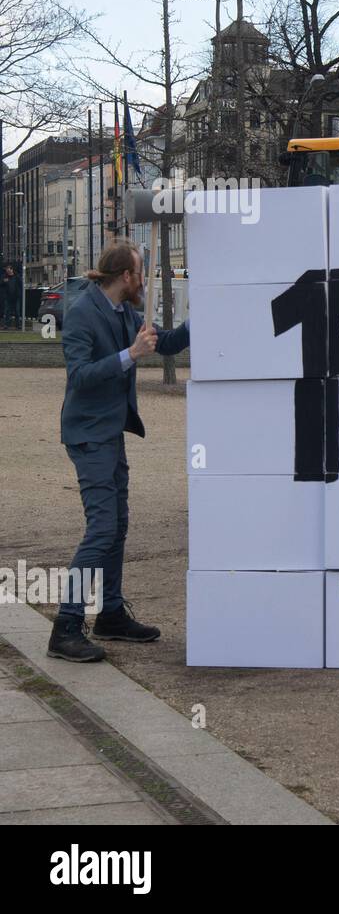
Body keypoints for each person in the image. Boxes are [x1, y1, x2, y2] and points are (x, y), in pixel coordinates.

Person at [48, 240, 191, 663]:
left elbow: (162, 343)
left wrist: (203, 318)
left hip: (110, 434)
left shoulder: (123, 311)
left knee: (118, 526)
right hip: (88, 435)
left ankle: (110, 614)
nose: (144, 279)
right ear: (125, 277)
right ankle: (66, 628)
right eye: (140, 272)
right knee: (102, 529)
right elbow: (80, 378)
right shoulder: (81, 315)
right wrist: (130, 355)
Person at [2, 264, 20, 329]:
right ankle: (6, 325)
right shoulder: (5, 277)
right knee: (7, 311)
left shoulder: (16, 276)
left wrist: (19, 293)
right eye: (7, 271)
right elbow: (1, 283)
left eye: (9, 270)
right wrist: (3, 281)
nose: (8, 272)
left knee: (17, 311)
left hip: (16, 297)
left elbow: (20, 284)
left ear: (11, 270)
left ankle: (18, 325)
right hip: (8, 297)